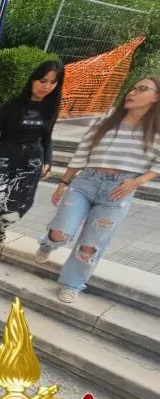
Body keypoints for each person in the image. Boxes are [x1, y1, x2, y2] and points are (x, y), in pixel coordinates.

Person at [35, 76, 159, 303]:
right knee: (60, 231)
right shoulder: (106, 121)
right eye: (132, 88)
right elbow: (81, 153)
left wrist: (136, 182)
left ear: (156, 97)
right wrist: (63, 183)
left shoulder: (155, 131)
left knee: (90, 245)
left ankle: (72, 284)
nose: (132, 93)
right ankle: (49, 243)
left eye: (142, 89)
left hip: (118, 191)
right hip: (86, 182)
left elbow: (158, 165)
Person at [0, 60, 64, 264]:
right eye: (43, 80)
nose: (46, 86)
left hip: (32, 162)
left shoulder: (51, 108)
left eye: (53, 82)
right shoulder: (12, 105)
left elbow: (47, 137)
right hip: (3, 159)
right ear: (33, 79)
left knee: (21, 204)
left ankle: (0, 227)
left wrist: (48, 160)